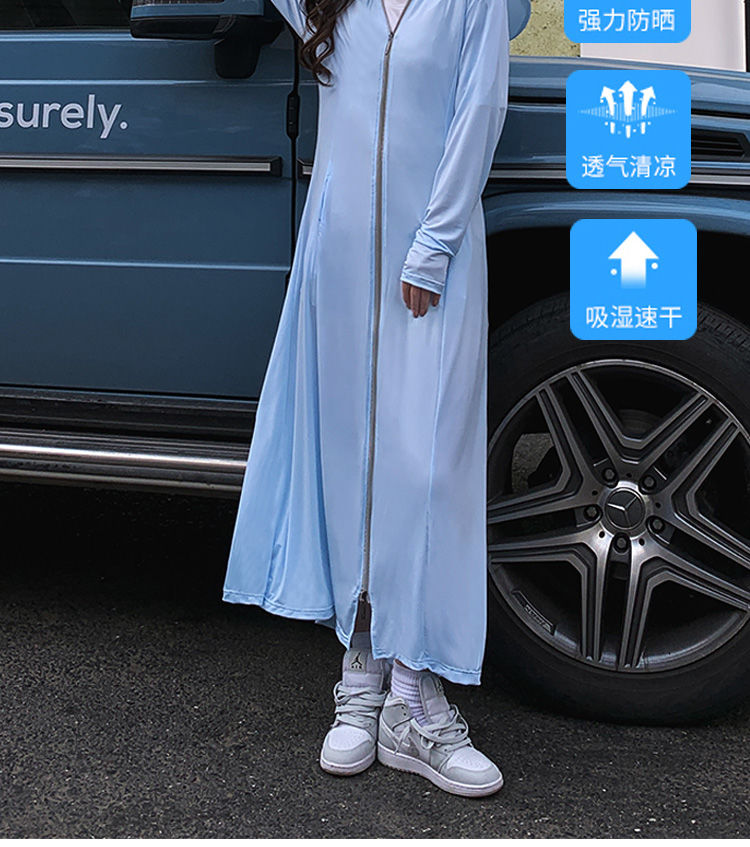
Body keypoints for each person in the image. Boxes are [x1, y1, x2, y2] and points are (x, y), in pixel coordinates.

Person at [222, 0, 510, 798]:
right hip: (341, 253)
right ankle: (363, 678)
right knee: (351, 457)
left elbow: (480, 111)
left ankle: (416, 694)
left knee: (427, 467)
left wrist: (435, 244)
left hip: (431, 261)